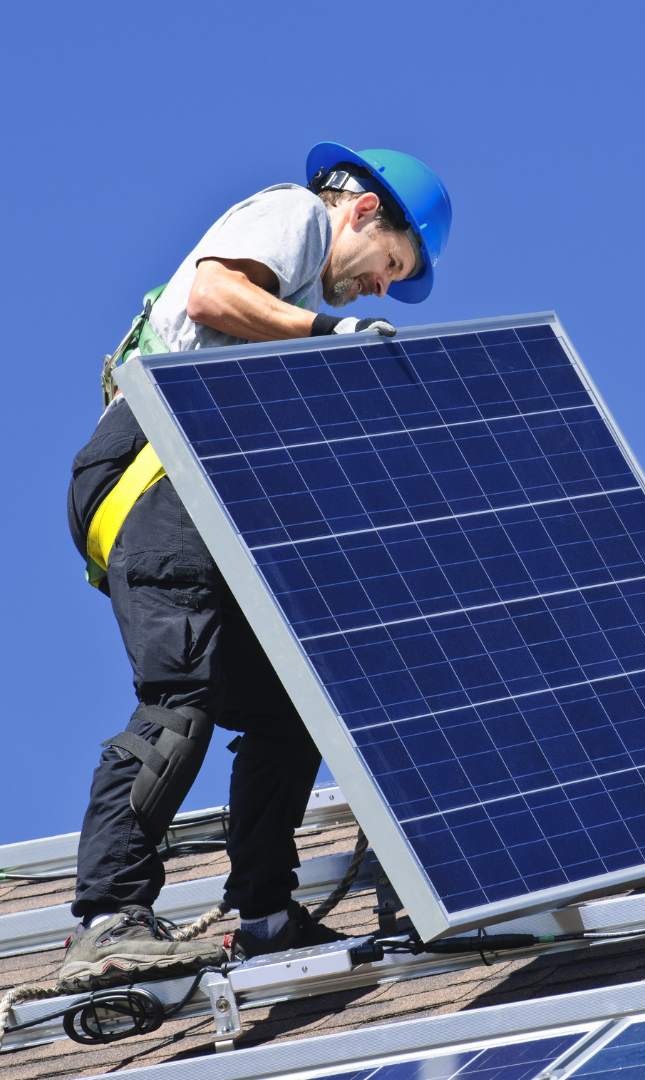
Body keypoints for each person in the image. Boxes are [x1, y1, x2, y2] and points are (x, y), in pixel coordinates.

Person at [59, 142, 452, 990]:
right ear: (360, 211)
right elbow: (210, 293)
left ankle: (267, 915)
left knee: (290, 709)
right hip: (156, 473)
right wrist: (330, 330)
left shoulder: (309, 290)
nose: (384, 287)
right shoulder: (297, 216)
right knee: (181, 692)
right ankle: (108, 918)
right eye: (392, 264)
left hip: (207, 497)